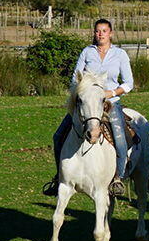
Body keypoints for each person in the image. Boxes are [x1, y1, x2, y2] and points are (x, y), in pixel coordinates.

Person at [41, 18, 136, 198]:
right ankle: (59, 176)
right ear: (94, 33)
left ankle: (117, 178)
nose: (100, 34)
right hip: (86, 104)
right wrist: (82, 92)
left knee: (120, 139)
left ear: (111, 34)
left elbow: (129, 83)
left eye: (104, 31)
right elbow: (75, 80)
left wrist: (110, 93)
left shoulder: (120, 54)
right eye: (97, 31)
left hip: (110, 103)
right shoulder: (87, 52)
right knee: (58, 136)